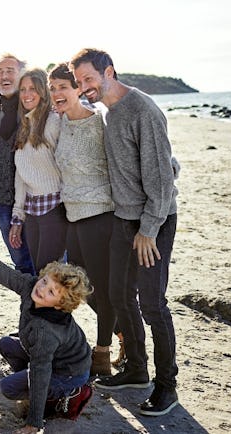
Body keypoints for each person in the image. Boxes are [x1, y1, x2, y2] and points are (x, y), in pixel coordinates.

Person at [70, 48, 180, 416]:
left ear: (109, 72)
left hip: (155, 220)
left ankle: (167, 387)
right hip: (123, 218)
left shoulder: (142, 110)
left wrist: (148, 230)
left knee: (152, 302)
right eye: (79, 81)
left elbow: (163, 180)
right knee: (118, 295)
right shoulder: (108, 111)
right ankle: (136, 369)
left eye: (89, 79)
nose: (84, 87)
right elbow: (168, 161)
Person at [0, 213, 93, 434]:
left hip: (69, 373)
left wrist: (34, 423)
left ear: (60, 305)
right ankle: (37, 389)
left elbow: (40, 374)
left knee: (8, 387)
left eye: (51, 292)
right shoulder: (30, 286)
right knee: (6, 344)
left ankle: (69, 395)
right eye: (45, 281)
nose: (41, 288)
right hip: (48, 359)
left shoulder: (45, 333)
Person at [48, 62, 118, 376]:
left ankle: (102, 353)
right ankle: (124, 334)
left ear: (78, 88)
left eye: (64, 86)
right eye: (53, 88)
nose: (57, 93)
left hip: (100, 214)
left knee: (100, 287)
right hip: (72, 216)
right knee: (81, 286)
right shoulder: (59, 123)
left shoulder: (99, 123)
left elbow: (122, 163)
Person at [0, 53, 36, 275]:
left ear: (22, 75)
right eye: (0, 72)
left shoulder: (34, 109)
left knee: (43, 259)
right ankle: (29, 307)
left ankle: (51, 308)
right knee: (19, 259)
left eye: (10, 71)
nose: (4, 76)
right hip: (3, 198)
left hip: (35, 199)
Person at [8, 68, 66, 271]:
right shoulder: (24, 126)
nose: (26, 94)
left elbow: (69, 164)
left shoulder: (54, 122)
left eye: (32, 88)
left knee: (48, 273)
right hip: (32, 212)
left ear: (43, 91)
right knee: (39, 272)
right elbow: (21, 176)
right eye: (22, 89)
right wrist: (18, 217)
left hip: (55, 209)